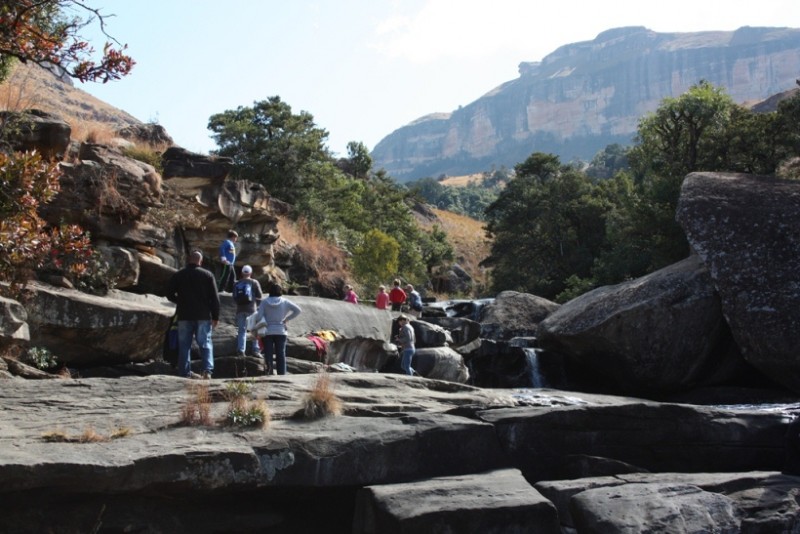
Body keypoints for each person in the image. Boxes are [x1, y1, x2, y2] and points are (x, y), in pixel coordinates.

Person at [166, 250, 220, 379]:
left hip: (184, 315)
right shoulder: (207, 275)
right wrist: (216, 316)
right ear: (200, 261)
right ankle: (207, 371)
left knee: (184, 344)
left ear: (189, 259)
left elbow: (169, 293)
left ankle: (184, 372)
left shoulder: (179, 275)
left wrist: (180, 301)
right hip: (203, 315)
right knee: (205, 343)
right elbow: (215, 298)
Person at [253, 282, 302, 375]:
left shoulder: (264, 302)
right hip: (281, 331)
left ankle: (269, 373)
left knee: (268, 354)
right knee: (281, 354)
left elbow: (259, 317)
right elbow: (298, 310)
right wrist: (286, 319)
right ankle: (282, 374)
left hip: (267, 331)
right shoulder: (285, 301)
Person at [233, 265, 263, 357]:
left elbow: (234, 297)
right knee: (254, 330)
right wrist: (257, 306)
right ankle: (256, 350)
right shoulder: (254, 282)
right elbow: (260, 296)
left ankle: (241, 350)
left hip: (240, 310)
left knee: (242, 331)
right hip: (251, 309)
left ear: (242, 273)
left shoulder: (236, 283)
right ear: (250, 273)